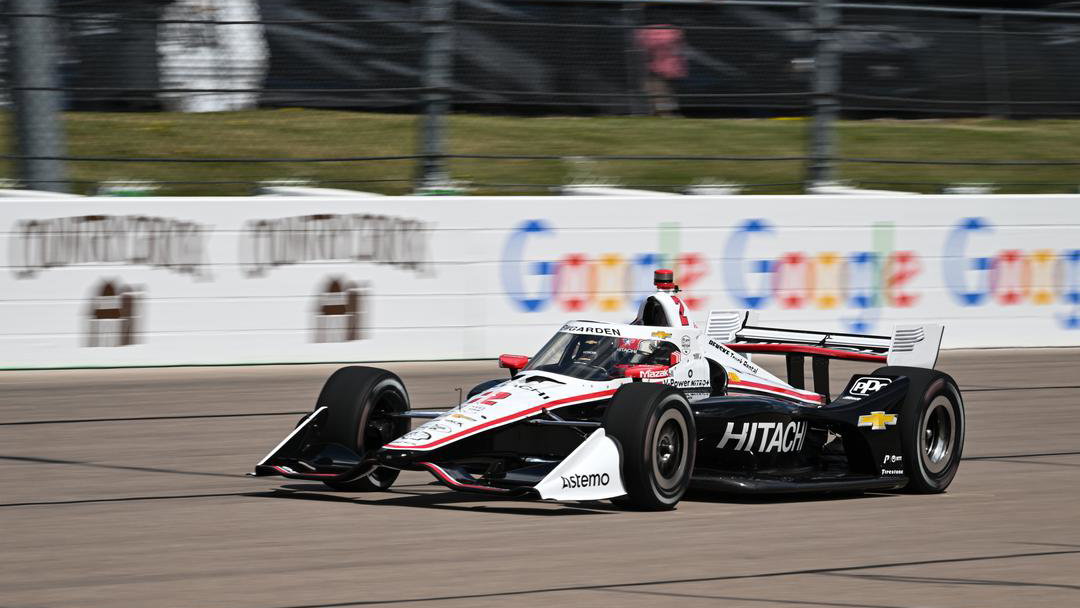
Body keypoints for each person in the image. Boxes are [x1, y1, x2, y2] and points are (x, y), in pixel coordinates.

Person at [635, 24, 688, 117]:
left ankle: (666, 114)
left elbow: (647, 47)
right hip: (669, 69)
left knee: (658, 93)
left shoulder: (654, 32)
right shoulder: (674, 31)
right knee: (661, 93)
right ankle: (665, 112)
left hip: (658, 70)